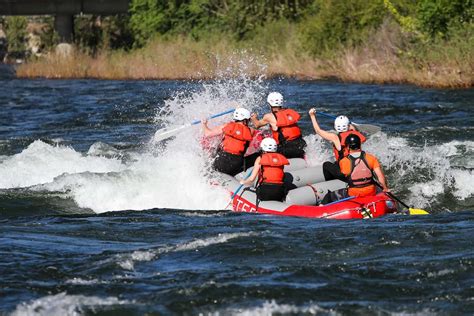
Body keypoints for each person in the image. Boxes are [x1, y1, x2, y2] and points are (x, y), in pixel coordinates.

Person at [321, 134, 389, 204]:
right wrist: (385, 188)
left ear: (347, 147)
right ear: (360, 145)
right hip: (371, 191)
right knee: (378, 188)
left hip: (353, 194)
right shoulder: (371, 158)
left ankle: (321, 207)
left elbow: (344, 175)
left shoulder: (344, 161)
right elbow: (380, 176)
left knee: (328, 196)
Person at [308, 108, 367, 181]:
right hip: (358, 168)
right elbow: (359, 136)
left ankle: (331, 184)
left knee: (326, 164)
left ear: (336, 127)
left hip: (346, 173)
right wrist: (351, 126)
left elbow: (318, 131)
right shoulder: (356, 135)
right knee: (336, 163)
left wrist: (312, 116)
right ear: (348, 126)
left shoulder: (335, 138)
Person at [202, 107, 259, 176]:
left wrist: (204, 124)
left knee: (217, 147)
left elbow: (207, 134)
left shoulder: (227, 126)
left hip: (221, 162)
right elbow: (254, 126)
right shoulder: (251, 131)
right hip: (236, 165)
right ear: (245, 120)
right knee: (259, 155)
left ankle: (209, 170)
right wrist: (253, 118)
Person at [251, 92, 306, 159]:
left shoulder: (269, 116)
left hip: (287, 148)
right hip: (302, 145)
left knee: (261, 152)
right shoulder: (290, 112)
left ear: (270, 104)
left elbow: (257, 125)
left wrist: (254, 118)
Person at [240, 137, 289, 202]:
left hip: (265, 191)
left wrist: (243, 182)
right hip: (280, 192)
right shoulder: (280, 159)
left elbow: (251, 179)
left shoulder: (260, 158)